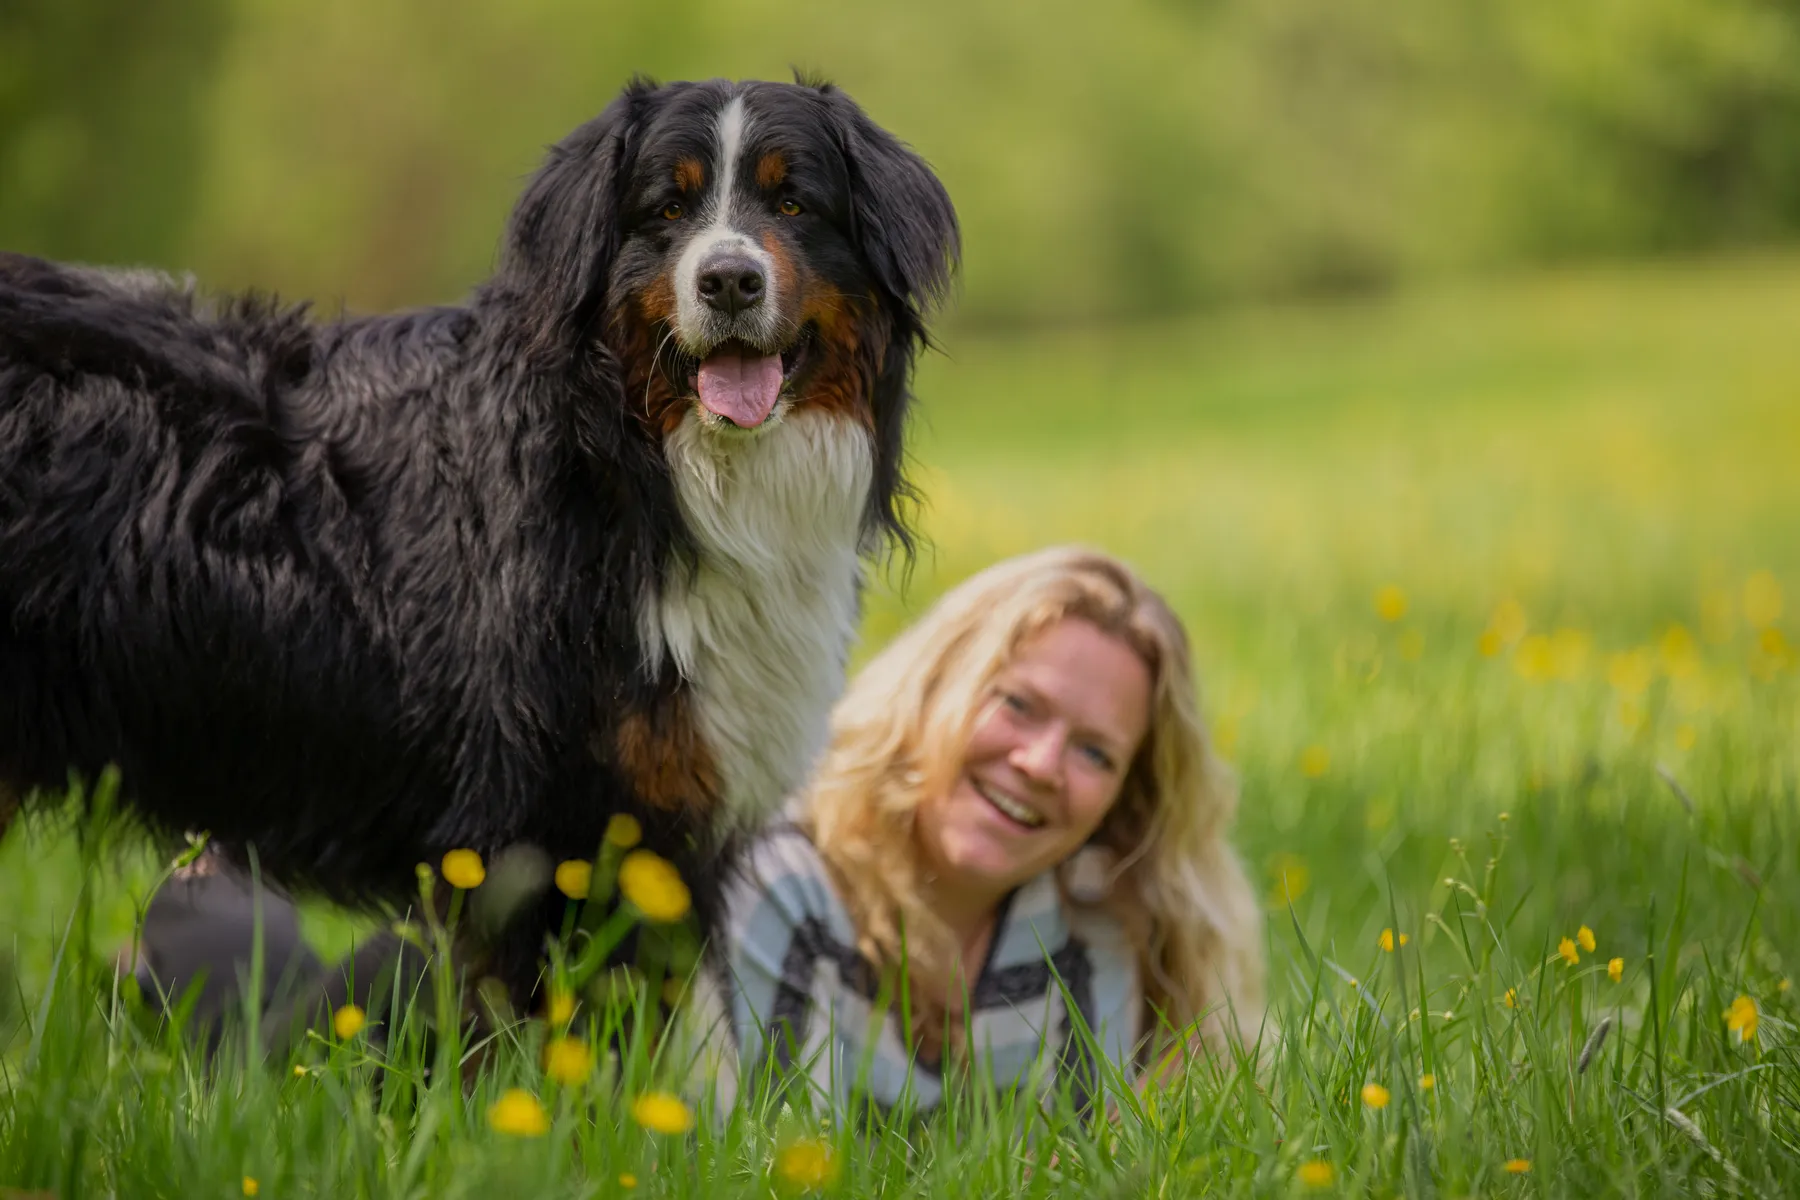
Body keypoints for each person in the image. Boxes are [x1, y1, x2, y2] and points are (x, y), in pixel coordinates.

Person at [702, 546, 1264, 1117]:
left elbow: (1077, 1179)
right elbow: (770, 1164)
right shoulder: (782, 884)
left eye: (1095, 753)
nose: (1041, 764)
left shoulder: (1087, 936)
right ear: (933, 686)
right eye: (1018, 704)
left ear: (1121, 802)